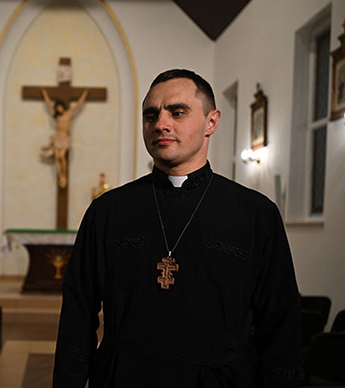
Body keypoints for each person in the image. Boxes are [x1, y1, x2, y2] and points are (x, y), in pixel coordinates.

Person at [53, 69, 302, 387]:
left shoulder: (256, 215)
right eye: (151, 114)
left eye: (177, 112)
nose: (160, 124)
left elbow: (280, 326)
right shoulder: (108, 211)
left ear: (211, 121)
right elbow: (77, 316)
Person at [41, 88, 89, 188]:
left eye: (59, 107)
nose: (58, 109)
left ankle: (64, 176)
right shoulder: (57, 116)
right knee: (57, 157)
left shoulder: (68, 114)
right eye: (57, 108)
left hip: (65, 138)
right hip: (57, 137)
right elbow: (49, 104)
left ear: (62, 106)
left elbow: (78, 105)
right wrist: (44, 94)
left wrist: (84, 95)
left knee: (62, 156)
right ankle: (61, 177)